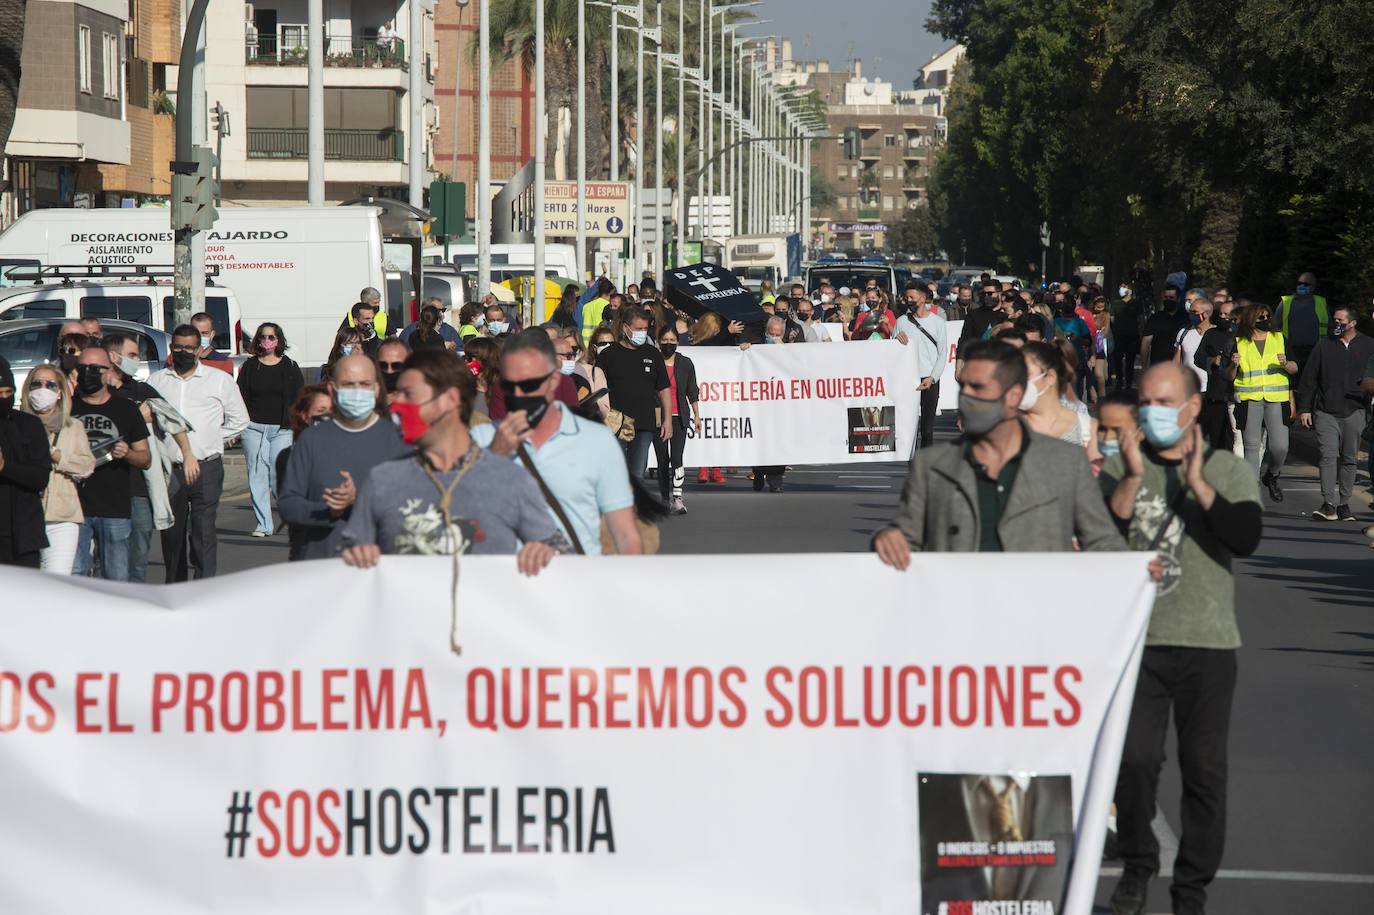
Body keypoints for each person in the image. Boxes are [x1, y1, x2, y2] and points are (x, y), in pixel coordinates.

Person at [1101, 362, 1262, 915]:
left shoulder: (1228, 469)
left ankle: (1190, 887)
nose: (1153, 412)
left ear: (1194, 407)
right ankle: (1138, 864)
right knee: (1136, 762)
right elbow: (1100, 537)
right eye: (1146, 401)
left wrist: (1197, 483)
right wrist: (1126, 476)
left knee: (1204, 770)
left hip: (1208, 643)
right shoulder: (1123, 468)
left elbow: (1245, 538)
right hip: (1135, 644)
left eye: (1166, 402)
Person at [872, 339, 1125, 564]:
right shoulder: (932, 465)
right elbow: (906, 536)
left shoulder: (1065, 461)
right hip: (960, 609)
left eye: (979, 387)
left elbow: (1102, 540)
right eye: (964, 387)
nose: (967, 396)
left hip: (1039, 610)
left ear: (1014, 395)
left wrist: (1139, 570)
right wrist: (887, 538)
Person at [340, 350, 567, 571]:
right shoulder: (382, 481)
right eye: (396, 394)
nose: (396, 405)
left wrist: (545, 553)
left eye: (408, 394)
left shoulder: (511, 480)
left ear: (449, 399)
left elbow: (563, 557)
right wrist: (356, 555)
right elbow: (345, 562)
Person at [472, 330, 642, 554]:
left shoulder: (596, 441)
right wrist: (495, 456)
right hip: (507, 578)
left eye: (529, 383)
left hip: (576, 576)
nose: (518, 393)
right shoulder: (482, 439)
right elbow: (459, 510)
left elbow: (625, 532)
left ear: (553, 380)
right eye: (509, 385)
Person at [279, 354, 411, 562]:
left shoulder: (398, 442)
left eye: (364, 384)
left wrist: (359, 501)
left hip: (380, 567)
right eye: (349, 385)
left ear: (376, 390)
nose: (357, 391)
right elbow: (288, 505)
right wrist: (330, 510)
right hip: (322, 565)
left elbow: (412, 508)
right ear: (332, 390)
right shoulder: (311, 440)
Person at [150, 325, 250, 581]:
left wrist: (215, 437)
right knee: (172, 535)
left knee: (202, 532)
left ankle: (204, 586)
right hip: (171, 468)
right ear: (172, 349)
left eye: (190, 348)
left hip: (207, 466)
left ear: (199, 349)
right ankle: (176, 587)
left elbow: (240, 420)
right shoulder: (157, 381)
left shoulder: (218, 381)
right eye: (179, 347)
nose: (184, 352)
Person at [69, 346, 152, 579]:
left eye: (95, 369)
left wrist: (127, 454)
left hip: (114, 509)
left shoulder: (125, 409)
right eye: (83, 368)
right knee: (75, 575)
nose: (88, 374)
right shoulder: (67, 408)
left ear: (108, 372)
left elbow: (145, 459)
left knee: (115, 576)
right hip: (74, 509)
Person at [1296, 305, 1374, 522]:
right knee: (1328, 455)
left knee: (1349, 458)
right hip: (1326, 411)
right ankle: (1327, 503)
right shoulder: (1324, 345)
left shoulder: (1369, 345)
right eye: (1334, 320)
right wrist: (1304, 408)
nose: (1336, 324)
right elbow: (1309, 379)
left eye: (1341, 320)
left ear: (1353, 323)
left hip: (1355, 410)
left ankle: (1344, 504)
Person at [19, 364, 94, 573]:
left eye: (50, 384)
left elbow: (86, 466)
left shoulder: (73, 427)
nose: (42, 389)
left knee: (57, 579)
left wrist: (55, 454)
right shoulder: (15, 424)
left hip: (62, 516)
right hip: (25, 515)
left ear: (60, 392)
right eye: (36, 384)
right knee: (28, 583)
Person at [236, 322, 303, 538]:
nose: (267, 341)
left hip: (282, 429)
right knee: (256, 475)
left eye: (272, 337)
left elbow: (299, 398)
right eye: (263, 337)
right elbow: (240, 397)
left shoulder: (290, 367)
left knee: (277, 474)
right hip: (253, 429)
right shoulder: (249, 367)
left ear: (279, 340)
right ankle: (263, 525)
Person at [597, 305, 672, 480]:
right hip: (616, 424)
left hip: (644, 424)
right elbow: (598, 390)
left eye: (645, 329)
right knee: (616, 474)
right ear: (625, 327)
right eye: (638, 329)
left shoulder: (653, 353)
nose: (642, 333)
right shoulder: (608, 355)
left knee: (637, 474)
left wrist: (667, 419)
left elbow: (664, 389)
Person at [1233, 303, 1297, 502]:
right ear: (1251, 320)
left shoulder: (1279, 338)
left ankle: (1272, 475)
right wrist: (1232, 365)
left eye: (1268, 316)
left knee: (1280, 447)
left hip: (1276, 399)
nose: (1266, 320)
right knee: (1252, 446)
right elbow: (1229, 375)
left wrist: (1285, 364)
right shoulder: (1239, 342)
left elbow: (1295, 368)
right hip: (1250, 399)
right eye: (1261, 317)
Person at [0, 356, 53, 567]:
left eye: (8, 393)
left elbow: (40, 477)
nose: (4, 398)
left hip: (22, 534)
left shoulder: (28, 425)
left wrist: (6, 468)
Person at [274, 384, 332, 560]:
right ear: (305, 416)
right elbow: (291, 509)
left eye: (332, 411)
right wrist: (333, 511)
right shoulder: (289, 456)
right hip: (306, 551)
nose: (328, 417)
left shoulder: (351, 451)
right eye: (321, 411)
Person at [652, 326, 699, 514]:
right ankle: (664, 498)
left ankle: (677, 498)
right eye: (665, 340)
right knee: (662, 459)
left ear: (678, 342)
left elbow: (692, 391)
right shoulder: (654, 361)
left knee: (677, 457)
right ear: (658, 341)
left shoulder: (685, 363)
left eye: (672, 340)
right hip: (658, 418)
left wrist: (696, 415)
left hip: (679, 417)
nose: (668, 344)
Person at [895, 284, 948, 450]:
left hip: (929, 379)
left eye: (912, 297)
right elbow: (892, 351)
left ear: (923, 298)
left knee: (927, 429)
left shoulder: (938, 322)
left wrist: (933, 377)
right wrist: (896, 338)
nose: (908, 300)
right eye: (907, 297)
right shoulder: (902, 321)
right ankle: (911, 463)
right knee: (909, 427)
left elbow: (942, 353)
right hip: (908, 379)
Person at [1020, 341, 1095, 454]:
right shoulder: (1007, 427)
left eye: (1025, 374)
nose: (1017, 381)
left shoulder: (1085, 428)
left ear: (1050, 377)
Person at [1192, 298, 1238, 452]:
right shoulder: (1211, 334)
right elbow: (1198, 358)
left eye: (1227, 314)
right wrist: (1212, 360)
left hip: (1237, 393)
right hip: (1217, 393)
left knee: (1235, 438)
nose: (1223, 317)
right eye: (1221, 313)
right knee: (1216, 437)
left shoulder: (1243, 335)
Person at [1274, 271, 1329, 374]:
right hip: (1291, 351)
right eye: (1299, 283)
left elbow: (1329, 326)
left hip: (1315, 351)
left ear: (1313, 287)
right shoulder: (1286, 302)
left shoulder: (1321, 303)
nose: (1301, 286)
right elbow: (1275, 326)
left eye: (1306, 284)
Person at [1141, 286, 1190, 368]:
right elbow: (1146, 342)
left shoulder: (1185, 319)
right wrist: (1144, 366)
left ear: (1178, 299)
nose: (1168, 300)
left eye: (1171, 297)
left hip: (1179, 366)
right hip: (1157, 365)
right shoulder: (1155, 318)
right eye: (1166, 297)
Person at [1112, 282, 1144, 389]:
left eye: (1125, 287)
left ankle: (1129, 381)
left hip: (1132, 336)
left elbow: (1140, 319)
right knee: (1117, 358)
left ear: (1130, 290)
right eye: (1121, 287)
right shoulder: (1115, 303)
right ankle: (1119, 379)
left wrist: (1140, 334)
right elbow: (1112, 318)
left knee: (1130, 360)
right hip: (1118, 335)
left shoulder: (1136, 303)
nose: (1122, 289)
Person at [580, 278, 615, 345]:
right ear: (611, 292)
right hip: (599, 342)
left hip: (585, 342)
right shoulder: (607, 306)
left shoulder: (586, 306)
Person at [376, 338, 409, 403]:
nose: (389, 371)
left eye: (396, 366)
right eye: (383, 365)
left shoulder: (418, 402)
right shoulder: (367, 400)